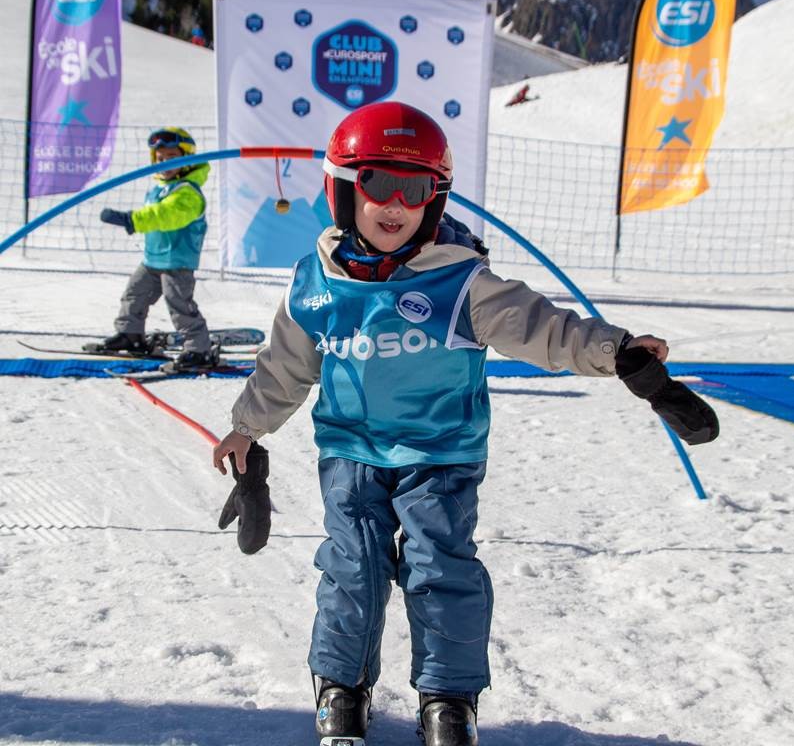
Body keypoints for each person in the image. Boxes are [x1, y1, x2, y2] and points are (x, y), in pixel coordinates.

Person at [212, 102, 718, 746]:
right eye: (377, 184)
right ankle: (341, 688)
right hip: (351, 454)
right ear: (342, 189)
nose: (395, 203)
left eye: (415, 189)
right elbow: (285, 366)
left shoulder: (460, 283)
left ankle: (448, 699)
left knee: (439, 570)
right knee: (353, 568)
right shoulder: (316, 284)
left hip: (440, 457)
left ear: (435, 198)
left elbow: (544, 328)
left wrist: (618, 352)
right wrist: (246, 428)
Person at [89, 127, 216, 370]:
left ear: (187, 159)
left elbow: (166, 216)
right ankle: (131, 335)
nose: (165, 164)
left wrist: (132, 220)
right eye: (160, 159)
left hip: (177, 262)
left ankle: (198, 349)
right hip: (153, 259)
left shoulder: (187, 191)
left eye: (172, 158)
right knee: (134, 295)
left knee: (179, 305)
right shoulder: (159, 187)